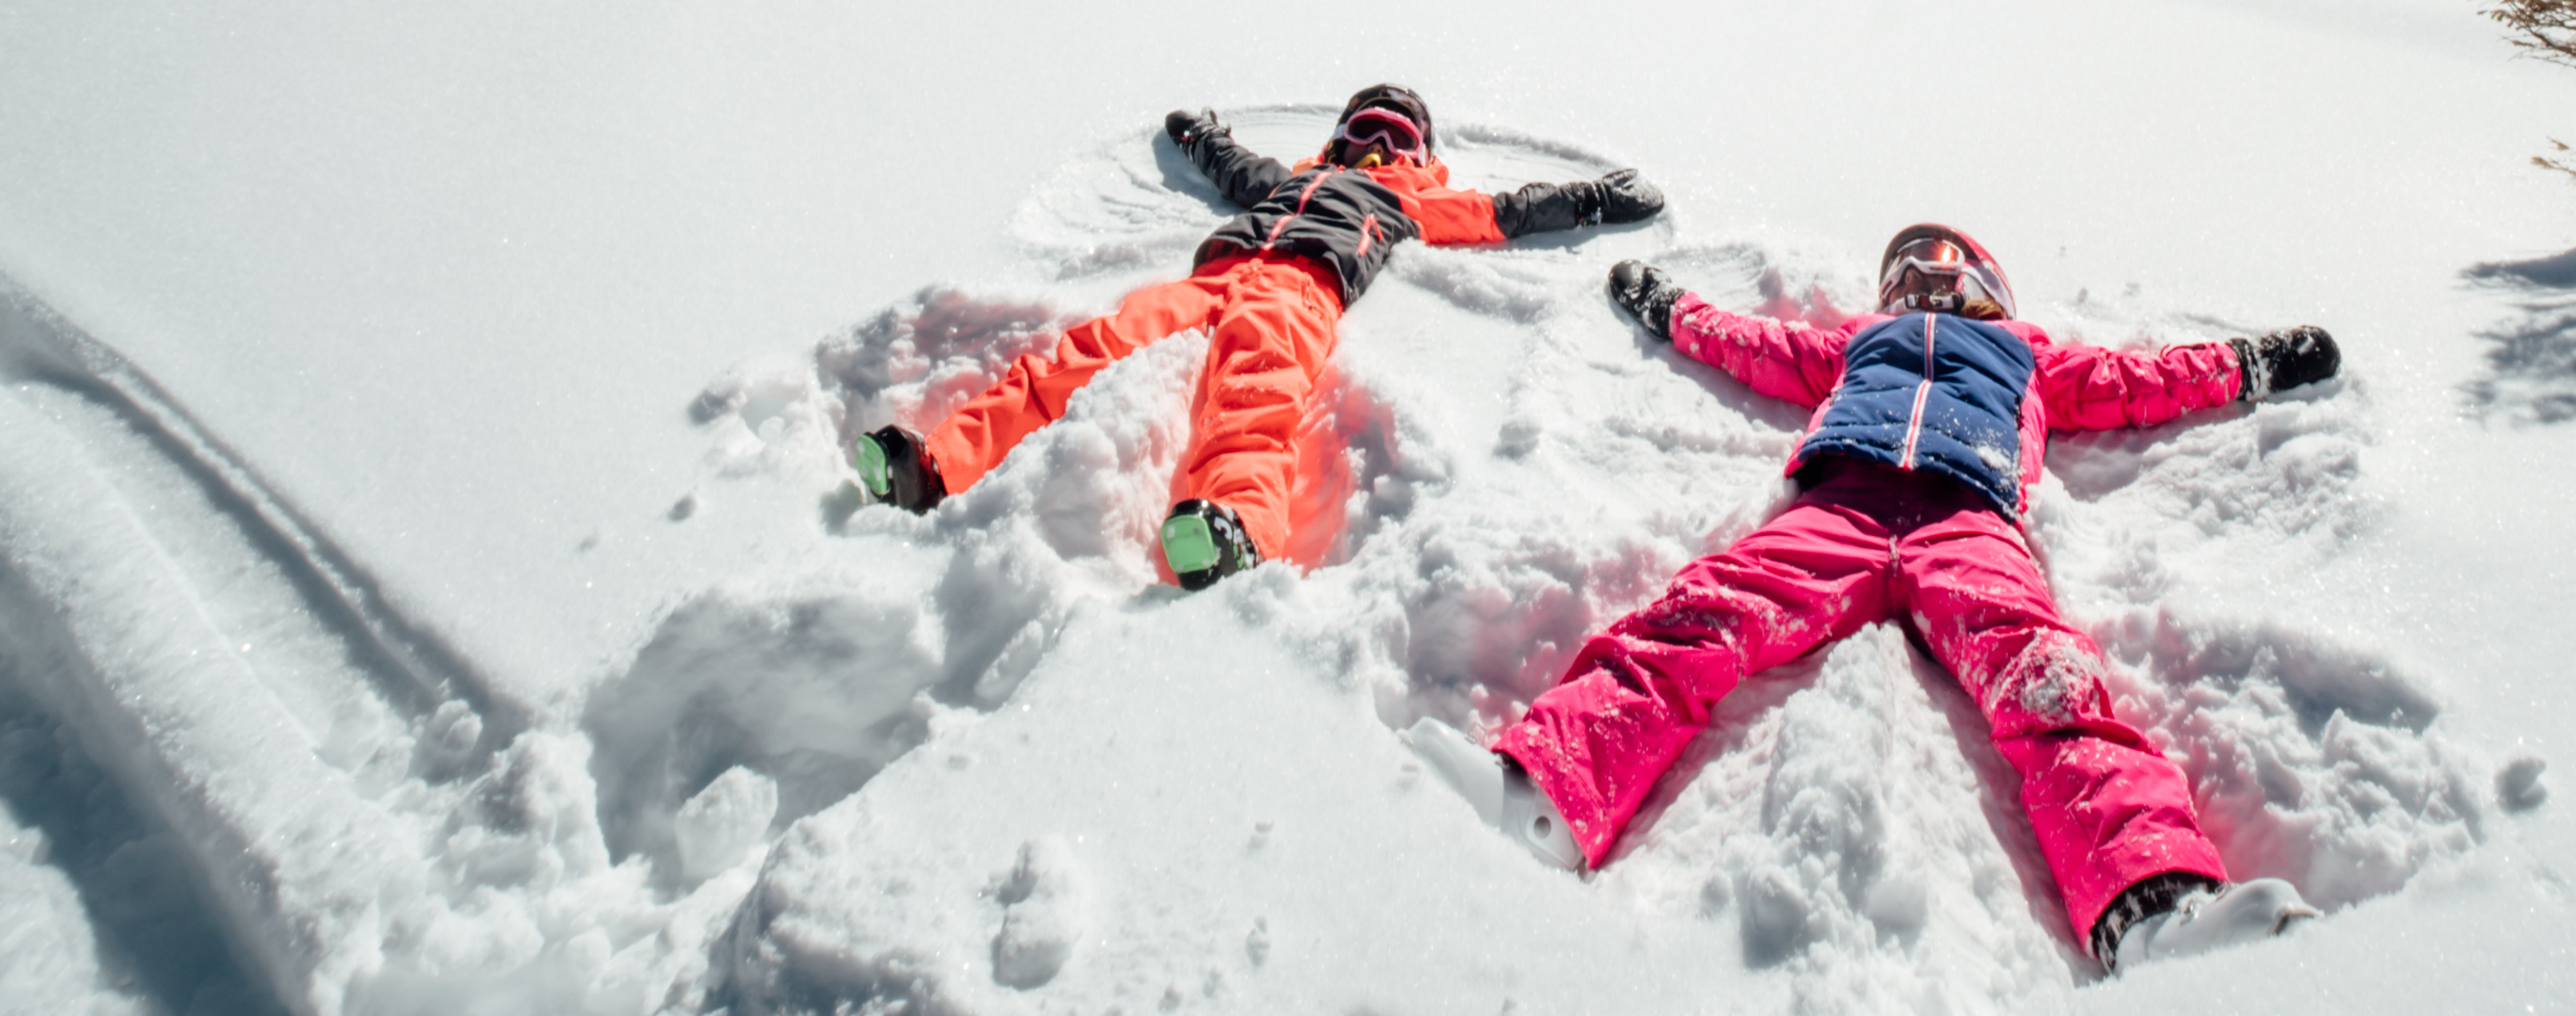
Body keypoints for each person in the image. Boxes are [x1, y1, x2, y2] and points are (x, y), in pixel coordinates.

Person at [1446, 224, 2338, 975]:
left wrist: (2247, 363)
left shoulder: (2029, 355)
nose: (1924, 283)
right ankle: (1542, 797)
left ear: (1986, 286)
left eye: (1943, 267)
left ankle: (2154, 905)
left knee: (2048, 684)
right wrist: (1671, 309)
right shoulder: (1858, 343)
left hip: (1968, 522)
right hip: (1838, 506)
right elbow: (1752, 345)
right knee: (1697, 619)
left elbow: (2138, 383)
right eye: (1907, 273)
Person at [852, 85, 1664, 587]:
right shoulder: (1292, 178)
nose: (1376, 146)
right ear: (1337, 137)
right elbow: (1235, 170)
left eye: (1397, 139)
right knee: (1083, 352)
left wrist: (1594, 197)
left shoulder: (1411, 202)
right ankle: (934, 466)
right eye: (1363, 132)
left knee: (1256, 398)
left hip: (1300, 290)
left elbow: (1507, 213)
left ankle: (1227, 527)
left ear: (1418, 156)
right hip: (1212, 277)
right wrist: (1202, 136)